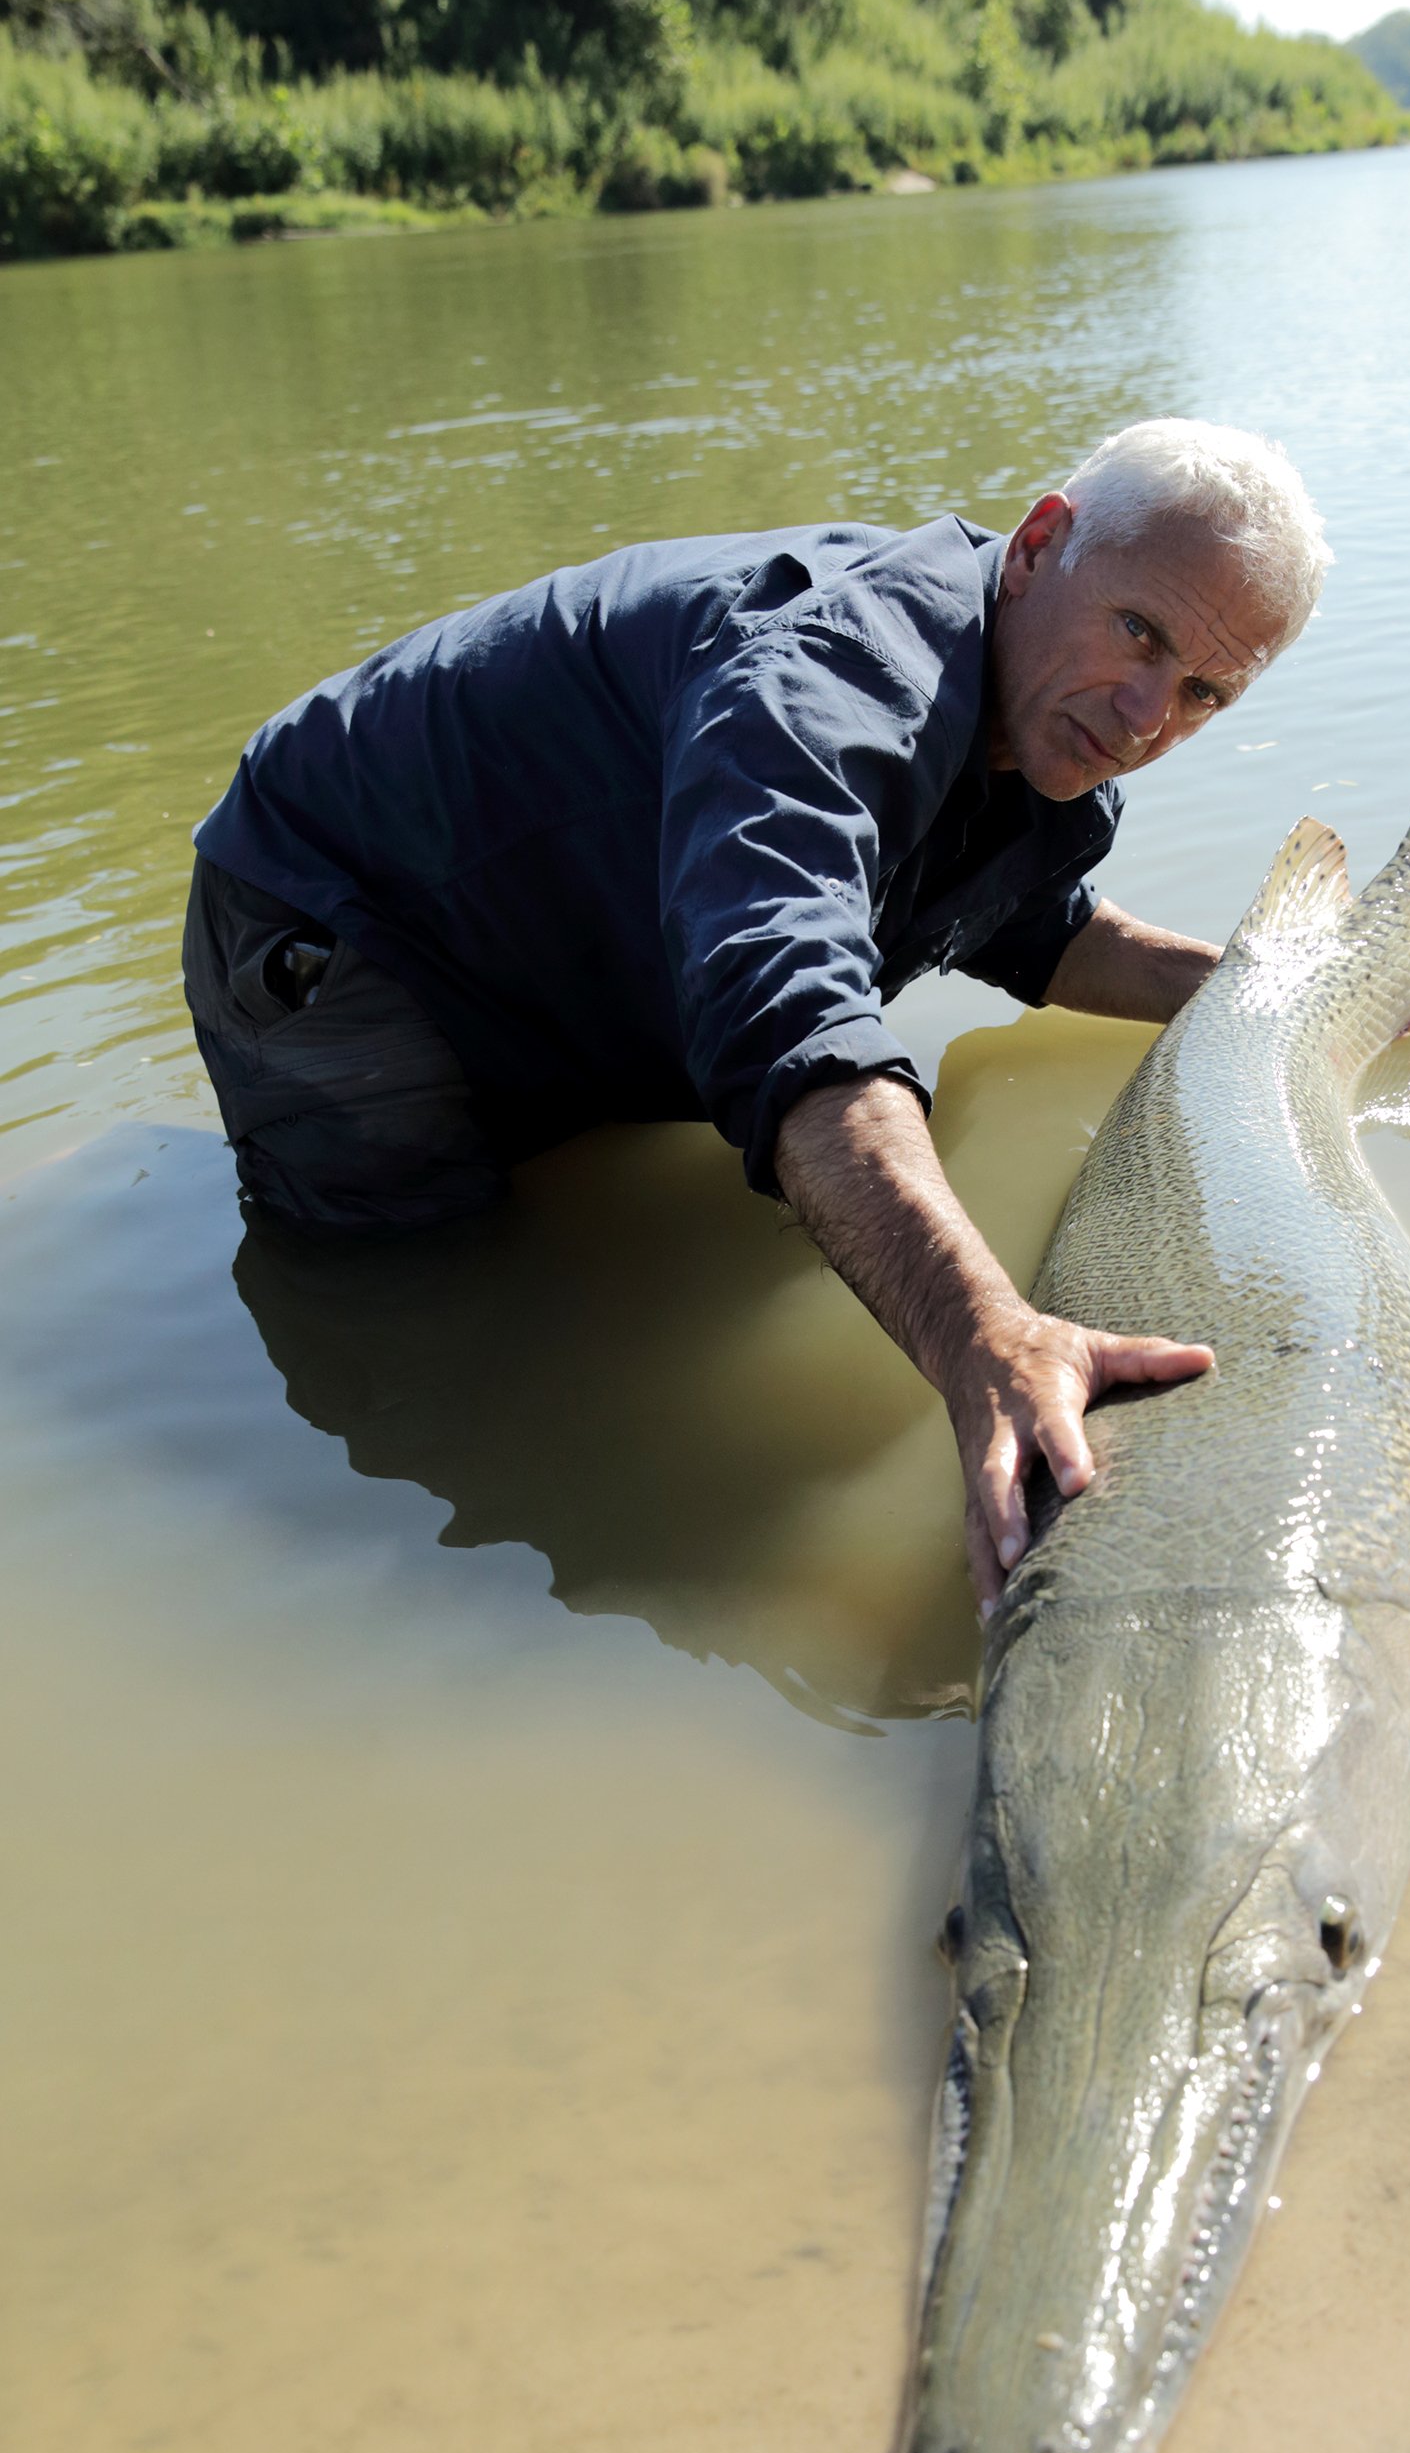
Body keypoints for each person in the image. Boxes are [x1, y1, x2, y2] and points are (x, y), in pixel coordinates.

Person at [182, 417, 1330, 1607]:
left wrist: (1289, 992)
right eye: (1138, 631)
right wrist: (985, 1334)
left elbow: (1040, 931)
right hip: (333, 918)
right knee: (429, 1307)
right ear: (1040, 545)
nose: (1149, 713)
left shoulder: (1043, 725)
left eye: (1204, 690)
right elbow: (791, 1008)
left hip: (543, 927)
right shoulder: (828, 670)